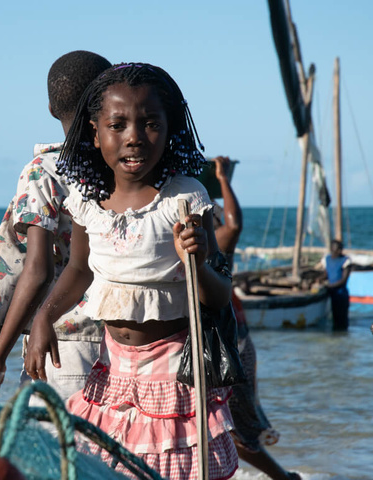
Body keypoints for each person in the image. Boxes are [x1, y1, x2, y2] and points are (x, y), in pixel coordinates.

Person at [24, 63, 238, 479]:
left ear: (170, 127)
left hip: (173, 373)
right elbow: (79, 270)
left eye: (150, 123)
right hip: (112, 371)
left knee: (169, 467)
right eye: (117, 125)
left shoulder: (184, 198)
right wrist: (43, 318)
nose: (134, 137)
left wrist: (194, 262)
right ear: (94, 132)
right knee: (110, 466)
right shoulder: (88, 201)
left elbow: (219, 295)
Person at [0, 51, 112, 405]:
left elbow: (38, 270)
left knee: (57, 455)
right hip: (126, 343)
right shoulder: (125, 165)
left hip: (60, 342)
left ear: (52, 108)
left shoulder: (45, 170)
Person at [210, 155, 301, 480]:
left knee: (237, 430)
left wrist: (223, 179)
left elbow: (234, 224)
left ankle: (284, 478)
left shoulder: (214, 247)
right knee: (227, 428)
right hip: (228, 344)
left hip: (230, 347)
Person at [322, 239, 351, 331]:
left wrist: (329, 286)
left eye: (340, 249)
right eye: (336, 249)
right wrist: (317, 279)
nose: (339, 251)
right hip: (333, 294)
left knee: (342, 320)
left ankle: (343, 340)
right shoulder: (327, 259)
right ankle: (336, 341)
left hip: (341, 295)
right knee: (335, 318)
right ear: (331, 249)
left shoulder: (345, 261)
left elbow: (343, 280)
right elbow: (326, 274)